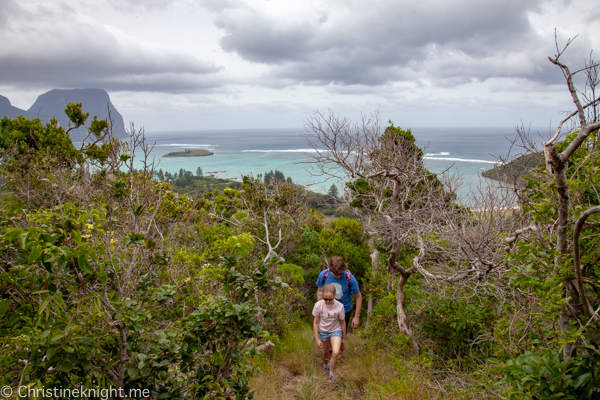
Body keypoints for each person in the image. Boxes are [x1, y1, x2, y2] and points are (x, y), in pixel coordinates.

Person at [316, 256, 362, 332]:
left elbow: (358, 296)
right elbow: (320, 290)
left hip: (344, 311)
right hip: (327, 310)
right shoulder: (324, 275)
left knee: (340, 336)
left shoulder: (349, 278)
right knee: (326, 334)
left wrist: (356, 317)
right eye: (336, 274)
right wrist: (319, 307)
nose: (338, 276)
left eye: (340, 274)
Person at [312, 284, 346, 383]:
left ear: (335, 296)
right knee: (325, 352)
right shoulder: (318, 305)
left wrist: (344, 338)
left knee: (335, 352)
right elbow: (315, 322)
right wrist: (317, 339)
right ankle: (326, 365)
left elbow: (342, 322)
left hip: (336, 330)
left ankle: (332, 374)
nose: (327, 301)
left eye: (330, 299)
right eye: (325, 299)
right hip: (323, 330)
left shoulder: (340, 306)